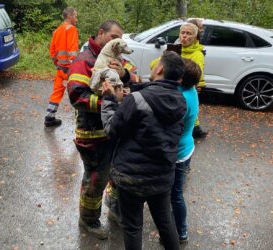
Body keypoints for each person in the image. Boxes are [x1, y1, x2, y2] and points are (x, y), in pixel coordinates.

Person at [101, 51, 187, 250]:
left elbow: (111, 130)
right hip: (162, 176)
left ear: (160, 69)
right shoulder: (180, 100)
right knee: (166, 223)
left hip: (132, 177)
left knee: (132, 227)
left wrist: (109, 100)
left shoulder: (137, 99)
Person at [67, 20, 138, 240]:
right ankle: (88, 220)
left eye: (120, 38)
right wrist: (110, 100)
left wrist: (125, 76)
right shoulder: (84, 61)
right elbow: (77, 96)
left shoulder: (117, 58)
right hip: (93, 134)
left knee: (116, 174)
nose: (118, 42)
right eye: (114, 37)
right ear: (100, 33)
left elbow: (137, 80)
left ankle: (114, 208)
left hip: (116, 130)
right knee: (96, 179)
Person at [151, 22, 207, 138]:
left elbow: (195, 73)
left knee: (185, 113)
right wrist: (168, 56)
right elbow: (153, 66)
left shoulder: (197, 54)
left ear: (195, 37)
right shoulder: (173, 50)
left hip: (185, 89)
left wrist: (174, 62)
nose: (184, 36)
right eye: (182, 33)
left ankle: (194, 129)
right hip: (169, 88)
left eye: (189, 34)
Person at [171, 58, 201, 244]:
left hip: (177, 154)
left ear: (180, 78)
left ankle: (181, 232)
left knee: (175, 195)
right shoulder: (189, 91)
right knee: (175, 192)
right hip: (186, 147)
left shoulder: (180, 98)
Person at [44, 7, 79, 127]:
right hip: (69, 70)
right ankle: (82, 121)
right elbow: (72, 52)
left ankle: (49, 118)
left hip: (60, 69)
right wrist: (74, 68)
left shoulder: (57, 31)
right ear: (69, 16)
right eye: (75, 16)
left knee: (56, 94)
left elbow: (52, 52)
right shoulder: (72, 29)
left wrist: (58, 64)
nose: (77, 19)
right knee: (79, 93)